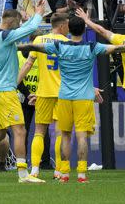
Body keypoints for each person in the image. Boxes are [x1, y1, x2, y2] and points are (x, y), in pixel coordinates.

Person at [21, 13, 125, 183]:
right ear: (84, 31)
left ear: (69, 29)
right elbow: (114, 48)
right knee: (82, 135)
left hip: (63, 96)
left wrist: (18, 46)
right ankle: (82, 173)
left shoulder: (60, 46)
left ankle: (61, 172)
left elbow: (36, 48)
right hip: (83, 97)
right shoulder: (92, 47)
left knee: (61, 134)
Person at [0, 0, 48, 183]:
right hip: (6, 92)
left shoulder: (0, 36)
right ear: (11, 21)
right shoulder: (5, 36)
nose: (19, 26)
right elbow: (28, 30)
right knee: (20, 130)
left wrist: (32, 19)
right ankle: (23, 174)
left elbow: (25, 28)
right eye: (18, 22)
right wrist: (38, 13)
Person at [16, 13, 69, 179]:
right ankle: (59, 171)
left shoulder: (39, 41)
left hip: (43, 93)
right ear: (61, 26)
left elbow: (28, 64)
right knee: (60, 133)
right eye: (67, 25)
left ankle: (35, 170)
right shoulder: (68, 43)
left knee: (39, 131)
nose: (68, 28)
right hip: (63, 93)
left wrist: (14, 83)